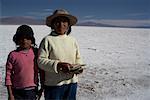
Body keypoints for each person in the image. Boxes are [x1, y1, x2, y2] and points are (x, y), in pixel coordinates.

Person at [38, 9, 85, 100]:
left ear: (68, 25)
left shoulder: (72, 40)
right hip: (54, 85)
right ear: (52, 24)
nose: (61, 24)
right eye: (57, 22)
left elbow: (78, 58)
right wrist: (58, 65)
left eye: (64, 22)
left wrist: (78, 68)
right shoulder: (48, 40)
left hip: (71, 83)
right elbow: (41, 61)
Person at [5, 25, 39, 100]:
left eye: (27, 38)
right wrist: (10, 94)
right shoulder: (13, 55)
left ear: (32, 40)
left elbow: (41, 71)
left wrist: (41, 88)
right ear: (17, 39)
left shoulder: (36, 53)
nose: (24, 41)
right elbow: (8, 75)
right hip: (17, 91)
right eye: (21, 38)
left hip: (32, 91)